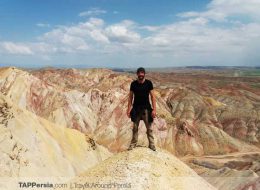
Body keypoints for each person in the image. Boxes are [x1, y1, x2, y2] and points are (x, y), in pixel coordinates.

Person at [127, 67, 157, 151]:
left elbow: (153, 97)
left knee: (149, 128)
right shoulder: (133, 84)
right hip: (136, 109)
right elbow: (130, 97)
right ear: (137, 74)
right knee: (135, 128)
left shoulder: (148, 83)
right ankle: (133, 144)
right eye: (139, 73)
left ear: (144, 74)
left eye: (142, 73)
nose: (140, 74)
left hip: (146, 109)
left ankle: (152, 144)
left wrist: (154, 109)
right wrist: (128, 109)